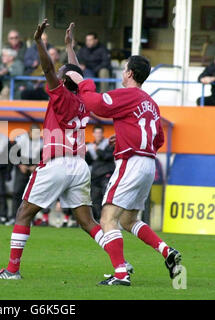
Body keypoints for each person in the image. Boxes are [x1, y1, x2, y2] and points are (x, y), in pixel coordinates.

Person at [0, 19, 114, 280]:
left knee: (23, 213)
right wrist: (69, 46)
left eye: (61, 74)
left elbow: (47, 69)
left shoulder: (62, 97)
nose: (57, 74)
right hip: (80, 165)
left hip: (57, 163)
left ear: (63, 80)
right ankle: (120, 263)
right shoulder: (83, 100)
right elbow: (74, 71)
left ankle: (12, 270)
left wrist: (38, 42)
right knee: (88, 221)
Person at [67, 53, 182, 285]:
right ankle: (166, 251)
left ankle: (121, 273)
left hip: (131, 162)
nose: (122, 72)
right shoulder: (151, 103)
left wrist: (83, 83)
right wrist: (122, 138)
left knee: (107, 217)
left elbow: (96, 104)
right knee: (129, 220)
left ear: (129, 73)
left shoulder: (128, 94)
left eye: (124, 69)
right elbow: (157, 138)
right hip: (149, 163)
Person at [9, 123, 43, 226]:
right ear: (30, 132)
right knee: (17, 192)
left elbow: (45, 156)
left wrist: (37, 166)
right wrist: (20, 165)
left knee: (33, 195)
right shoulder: (20, 140)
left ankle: (30, 219)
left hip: (35, 169)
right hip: (21, 168)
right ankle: (14, 217)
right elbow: (12, 154)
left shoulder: (42, 142)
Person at [85, 125, 115, 221]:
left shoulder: (108, 143)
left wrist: (97, 150)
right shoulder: (90, 146)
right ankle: (99, 220)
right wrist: (86, 153)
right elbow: (89, 162)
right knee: (95, 200)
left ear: (102, 134)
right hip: (95, 176)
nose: (98, 134)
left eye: (100, 133)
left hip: (106, 174)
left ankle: (109, 219)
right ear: (93, 134)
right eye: (96, 133)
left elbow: (108, 156)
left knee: (106, 198)